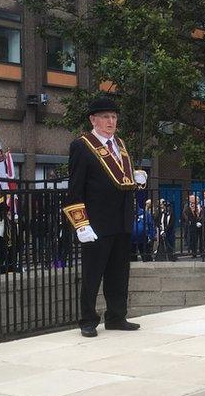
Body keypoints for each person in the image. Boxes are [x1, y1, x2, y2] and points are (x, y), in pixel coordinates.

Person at [62, 96, 145, 337]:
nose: (111, 121)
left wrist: (137, 179)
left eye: (114, 117)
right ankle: (88, 320)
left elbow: (119, 181)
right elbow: (75, 187)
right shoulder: (82, 145)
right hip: (96, 222)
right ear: (93, 119)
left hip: (121, 219)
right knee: (92, 274)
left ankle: (117, 316)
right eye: (106, 117)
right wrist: (80, 223)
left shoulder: (120, 143)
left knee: (119, 274)